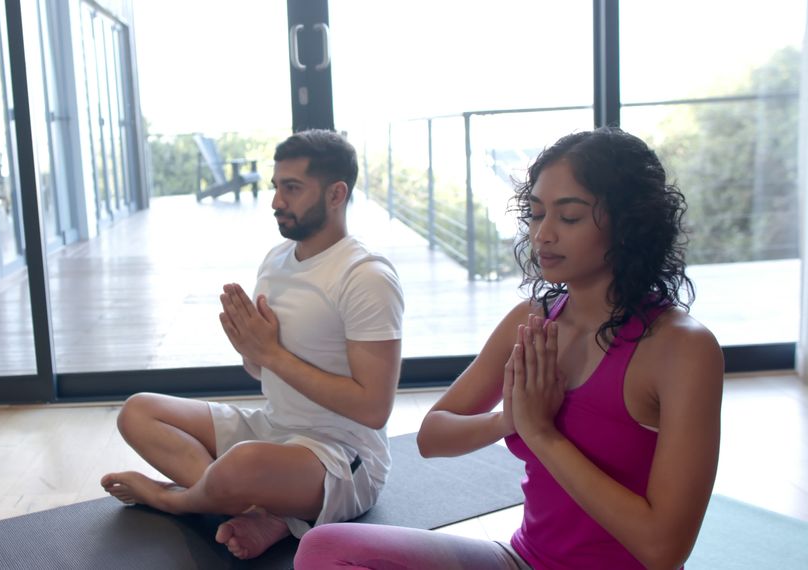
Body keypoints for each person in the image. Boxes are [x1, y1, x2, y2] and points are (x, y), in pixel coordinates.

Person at [293, 126, 723, 569]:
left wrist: (542, 434)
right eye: (536, 215)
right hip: (523, 561)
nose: (543, 235)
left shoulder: (682, 350)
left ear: (630, 223)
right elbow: (432, 436)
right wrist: (507, 421)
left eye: (569, 217)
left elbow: (663, 549)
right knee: (323, 549)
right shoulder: (533, 319)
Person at [100, 129, 405, 560]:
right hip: (273, 430)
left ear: (337, 194)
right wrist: (252, 351)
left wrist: (271, 354)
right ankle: (263, 512)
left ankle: (173, 499)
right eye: (277, 186)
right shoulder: (276, 261)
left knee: (241, 465)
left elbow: (374, 408)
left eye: (293, 188)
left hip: (340, 455)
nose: (277, 201)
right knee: (138, 411)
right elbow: (262, 371)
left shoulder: (366, 277)